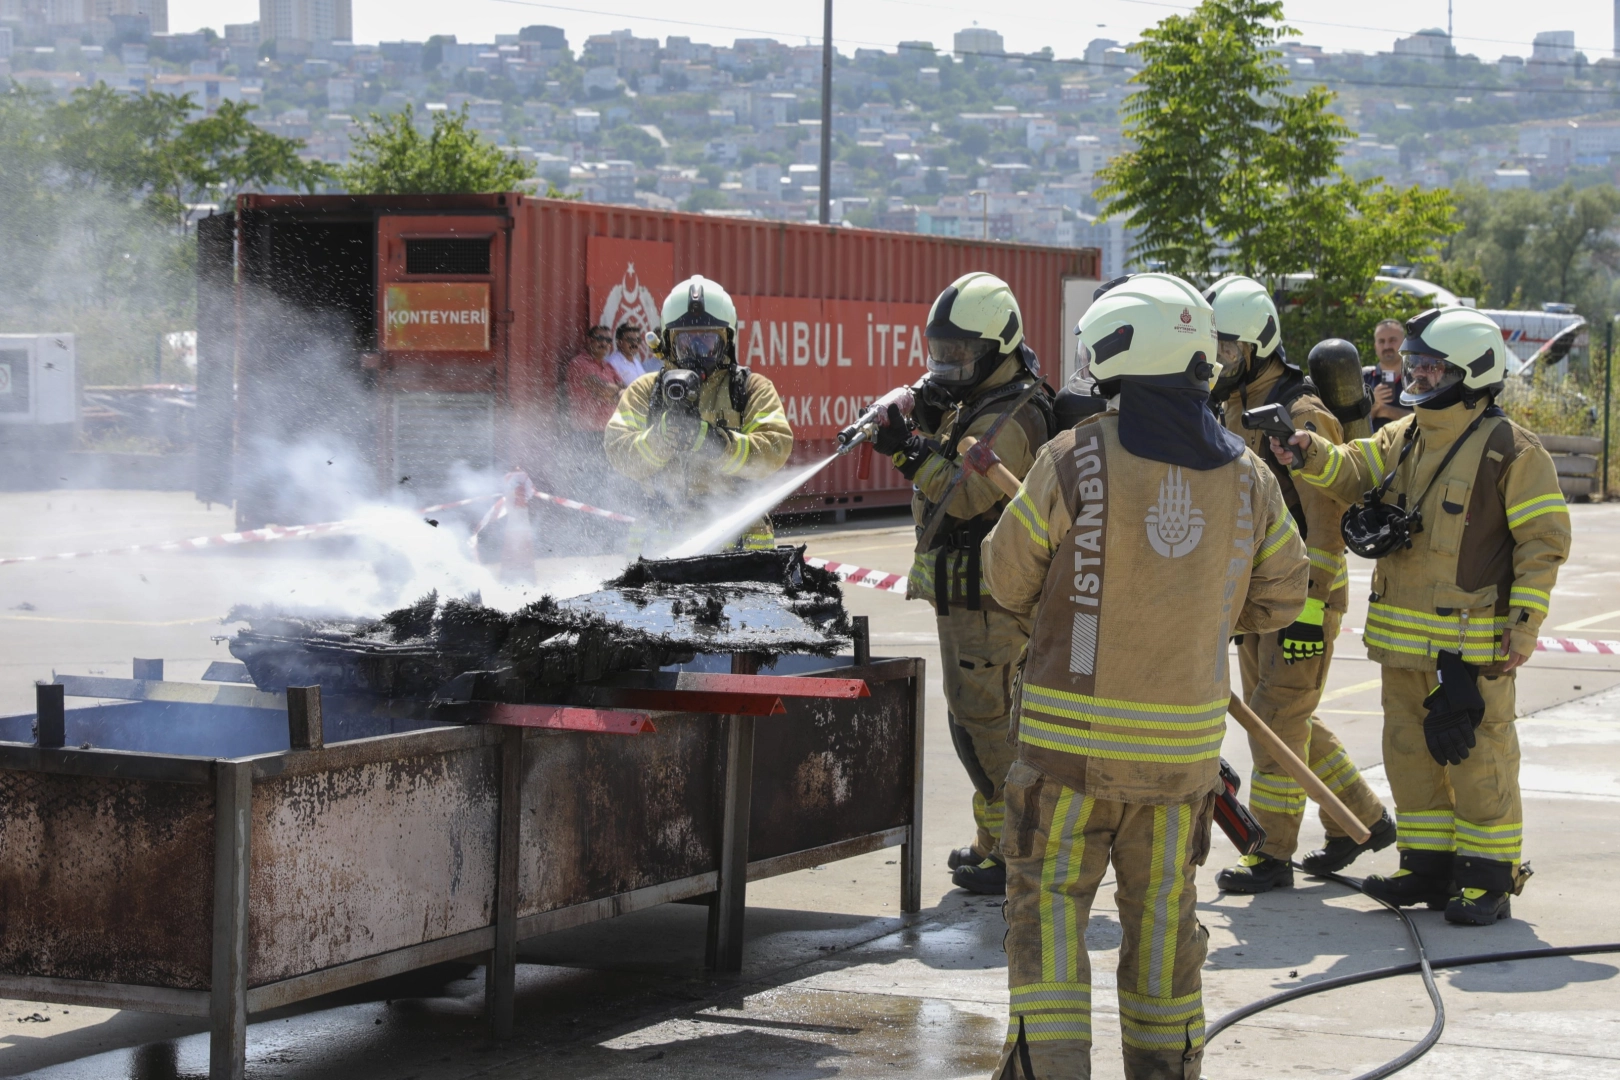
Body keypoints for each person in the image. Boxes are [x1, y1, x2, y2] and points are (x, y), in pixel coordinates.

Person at [984, 272, 1308, 1080]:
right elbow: (1284, 594)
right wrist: (1199, 613)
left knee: (1049, 916)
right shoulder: (1248, 477)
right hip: (1180, 768)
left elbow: (1005, 576)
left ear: (1116, 358)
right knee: (1165, 927)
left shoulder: (1075, 456)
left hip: (1066, 760)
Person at [1272, 306, 1571, 926]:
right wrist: (1309, 452)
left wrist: (1523, 627)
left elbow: (1543, 544)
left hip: (1472, 645)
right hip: (1402, 642)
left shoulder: (1512, 451)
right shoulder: (1404, 434)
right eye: (1414, 365)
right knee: (1408, 753)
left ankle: (1488, 875)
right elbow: (1354, 470)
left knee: (1480, 758)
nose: (1418, 377)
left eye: (1432, 368)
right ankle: (1427, 866)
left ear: (1473, 372)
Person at [1205, 275, 1393, 894]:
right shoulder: (1231, 406)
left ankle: (1272, 850)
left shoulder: (1303, 413)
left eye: (1229, 350)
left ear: (1259, 347)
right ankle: (1361, 818)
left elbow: (1328, 523)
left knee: (1274, 722)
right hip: (1260, 600)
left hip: (1301, 602)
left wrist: (1312, 610)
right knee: (1287, 719)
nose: (1219, 361)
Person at [872, 271, 1056, 896]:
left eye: (961, 355)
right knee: (981, 722)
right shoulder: (979, 399)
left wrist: (906, 446)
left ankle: (1019, 851)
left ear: (999, 347)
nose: (948, 367)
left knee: (985, 725)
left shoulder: (1014, 414)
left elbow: (970, 490)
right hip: (967, 593)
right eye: (939, 354)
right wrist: (922, 413)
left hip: (989, 598)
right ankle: (997, 842)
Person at [604, 275, 793, 553]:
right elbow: (619, 453)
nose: (696, 351)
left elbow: (775, 450)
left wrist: (716, 442)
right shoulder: (645, 391)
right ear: (668, 342)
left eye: (707, 341)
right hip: (659, 547)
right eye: (686, 342)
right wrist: (661, 438)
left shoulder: (750, 389)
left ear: (727, 341)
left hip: (739, 551)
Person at [563, 324, 624, 432]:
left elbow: (626, 391)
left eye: (608, 340)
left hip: (607, 430)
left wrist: (610, 394)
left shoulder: (608, 366)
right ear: (589, 340)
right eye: (600, 338)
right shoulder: (579, 363)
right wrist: (615, 394)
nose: (604, 343)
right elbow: (603, 389)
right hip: (585, 432)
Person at [1364, 318, 1412, 430]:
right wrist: (1373, 405)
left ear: (1405, 343)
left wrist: (1387, 411)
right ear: (1375, 346)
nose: (1386, 346)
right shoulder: (1362, 379)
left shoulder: (1419, 378)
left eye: (1392, 340)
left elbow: (1427, 421)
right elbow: (1350, 428)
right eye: (1381, 341)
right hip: (1372, 447)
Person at [605, 322, 655, 386]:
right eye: (630, 340)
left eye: (638, 340)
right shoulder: (612, 363)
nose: (634, 343)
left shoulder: (636, 362)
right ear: (619, 343)